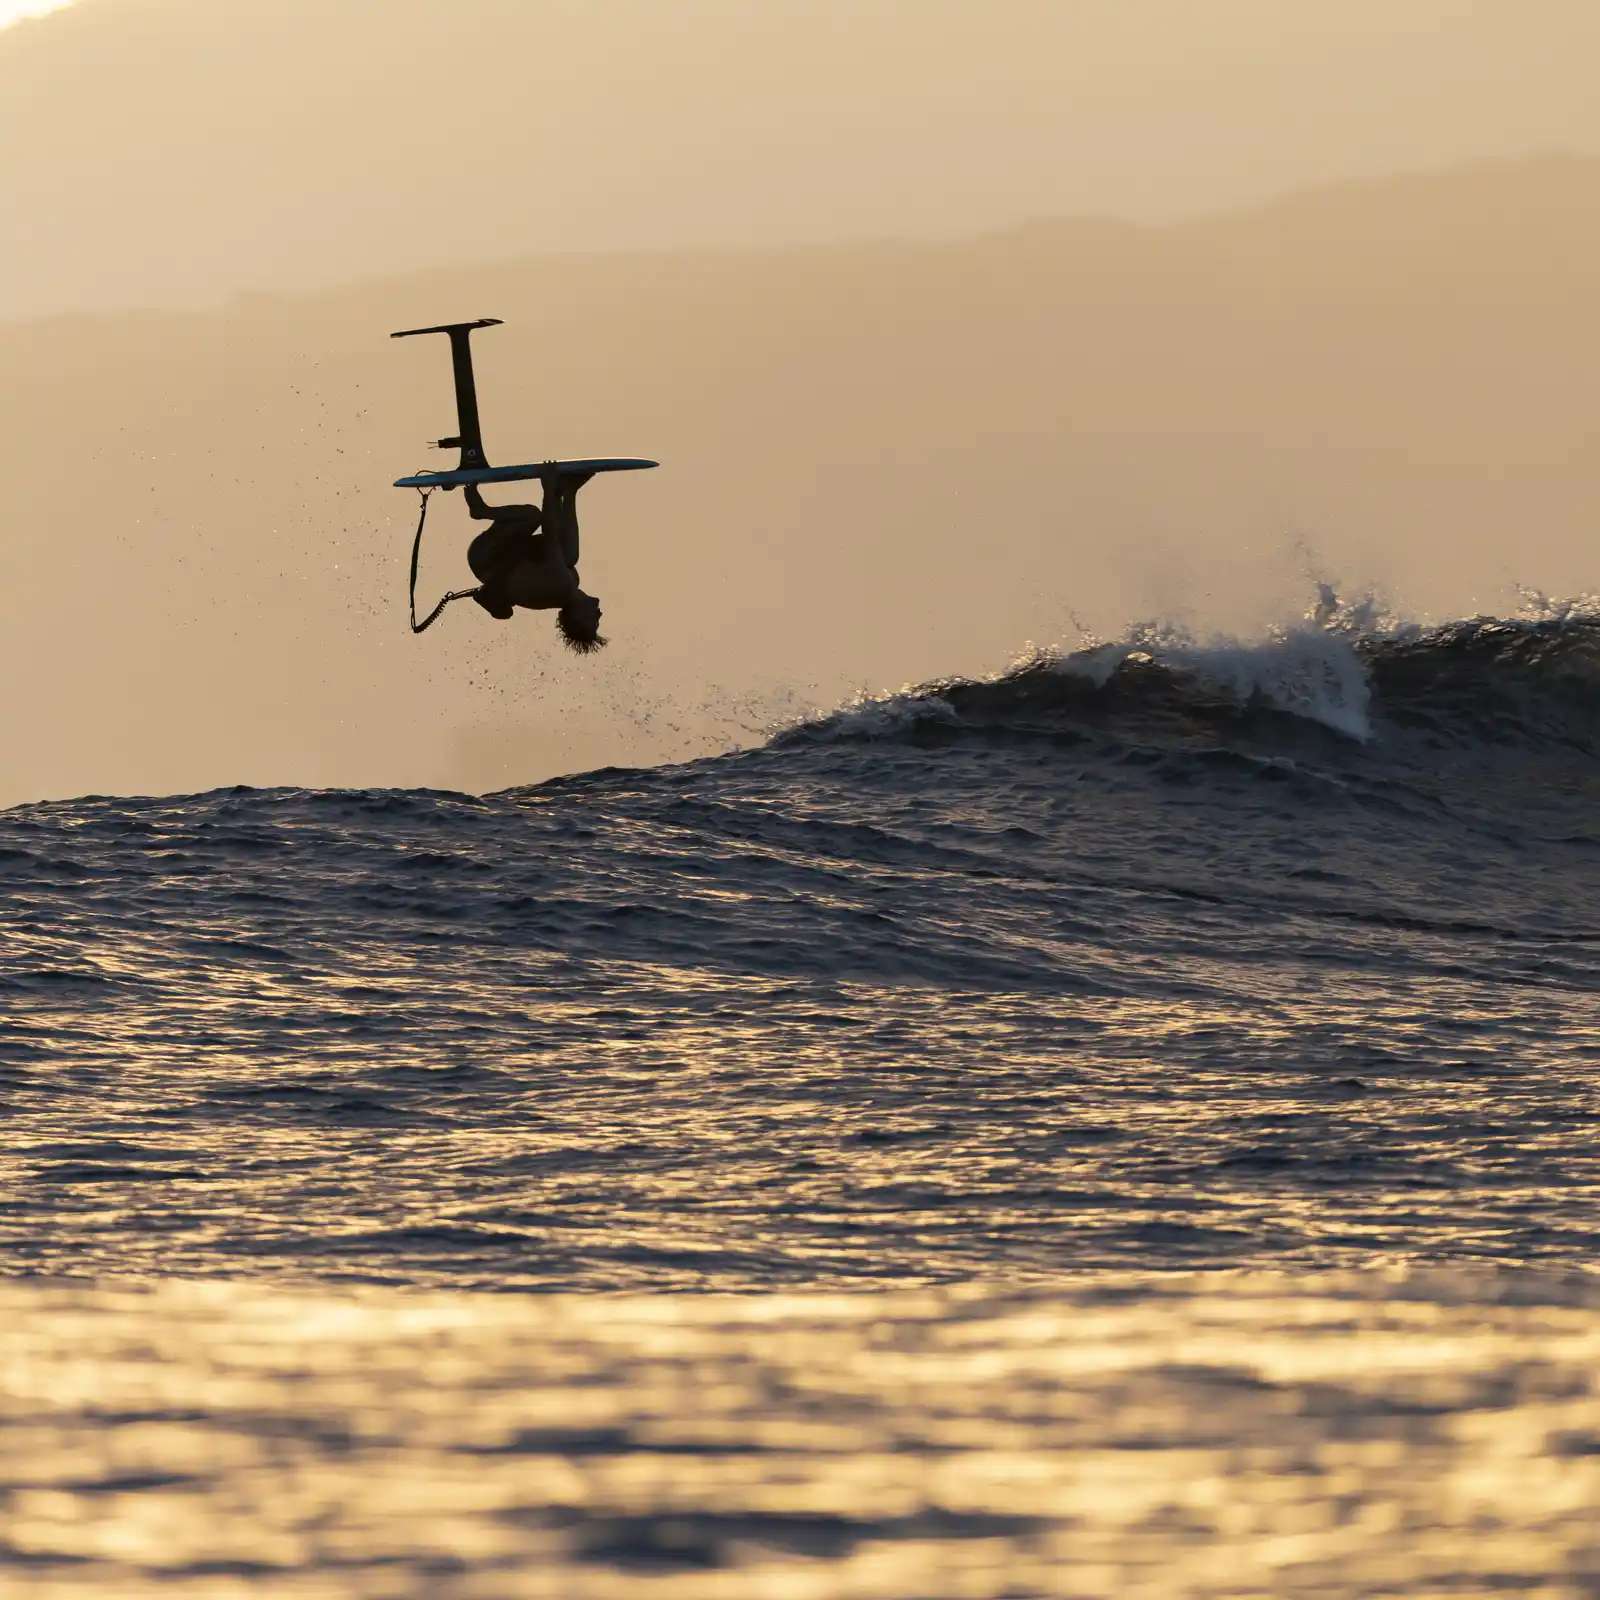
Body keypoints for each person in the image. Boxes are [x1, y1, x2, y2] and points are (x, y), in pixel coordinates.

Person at [462, 468, 605, 652]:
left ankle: (481, 510)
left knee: (531, 516)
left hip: (484, 556)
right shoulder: (569, 584)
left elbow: (550, 535)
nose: (599, 614)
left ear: (577, 615)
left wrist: (548, 488)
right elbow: (556, 541)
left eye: (594, 621)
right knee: (569, 554)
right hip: (502, 555)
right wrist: (565, 495)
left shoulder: (562, 586)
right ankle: (568, 491)